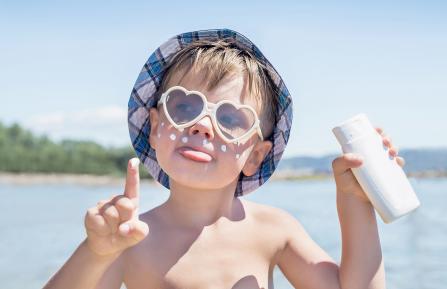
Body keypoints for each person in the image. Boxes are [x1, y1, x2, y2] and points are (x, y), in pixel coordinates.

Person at [43, 28, 405, 289]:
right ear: (154, 127)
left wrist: (356, 202)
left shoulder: (274, 231)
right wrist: (96, 252)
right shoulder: (131, 240)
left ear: (256, 155)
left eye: (230, 119)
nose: (201, 125)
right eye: (183, 106)